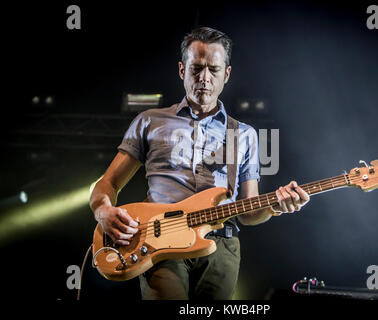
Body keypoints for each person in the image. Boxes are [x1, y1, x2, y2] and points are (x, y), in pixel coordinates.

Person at [89, 26, 310, 300]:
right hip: (160, 241)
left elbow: (248, 211)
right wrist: (103, 212)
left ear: (226, 74)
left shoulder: (245, 135)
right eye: (196, 68)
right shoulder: (149, 121)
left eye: (214, 70)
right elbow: (108, 183)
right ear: (182, 70)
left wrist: (275, 207)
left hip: (221, 245)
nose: (204, 78)